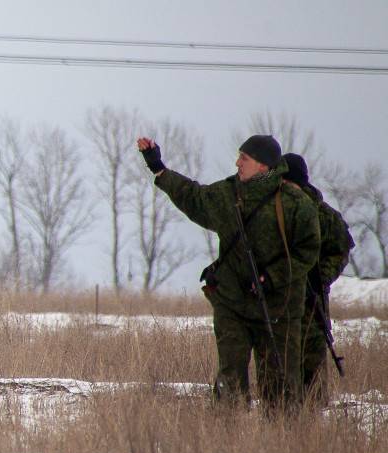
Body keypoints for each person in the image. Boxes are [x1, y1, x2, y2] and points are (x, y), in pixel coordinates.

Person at [137, 135, 319, 410]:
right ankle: (227, 437)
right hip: (233, 301)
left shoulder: (295, 203)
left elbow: (308, 250)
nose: (237, 163)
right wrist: (158, 168)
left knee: (280, 386)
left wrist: (272, 277)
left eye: (244, 158)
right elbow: (193, 197)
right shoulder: (228, 194)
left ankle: (282, 443)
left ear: (262, 165)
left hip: (279, 307)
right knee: (230, 378)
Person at [282, 152, 356, 403]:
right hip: (280, 296)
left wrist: (320, 278)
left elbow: (341, 250)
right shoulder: (276, 210)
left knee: (311, 358)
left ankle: (313, 413)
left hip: (312, 299)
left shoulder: (324, 215)